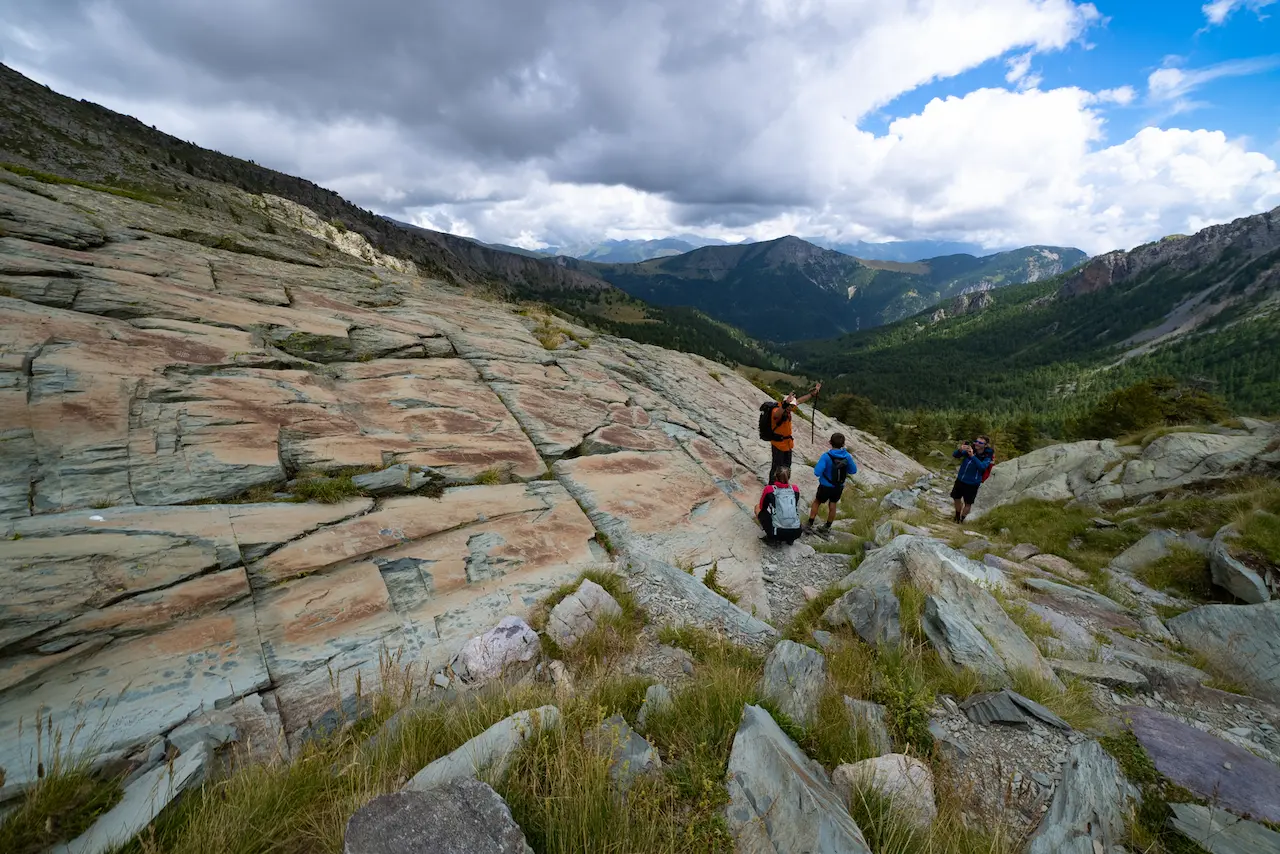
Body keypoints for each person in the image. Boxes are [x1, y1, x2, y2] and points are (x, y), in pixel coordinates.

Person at [764, 383, 821, 485]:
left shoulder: (788, 409)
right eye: (790, 406)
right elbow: (777, 415)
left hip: (787, 444)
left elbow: (799, 401)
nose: (792, 408)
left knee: (787, 466)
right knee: (777, 467)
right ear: (785, 403)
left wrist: (812, 395)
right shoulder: (777, 410)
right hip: (778, 444)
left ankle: (783, 484)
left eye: (792, 406)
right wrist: (786, 403)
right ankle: (772, 487)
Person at [807, 432, 857, 534]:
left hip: (825, 485)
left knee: (817, 501)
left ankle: (809, 523)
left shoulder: (826, 456)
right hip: (838, 486)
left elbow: (817, 472)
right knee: (833, 504)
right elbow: (853, 471)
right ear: (843, 444)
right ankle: (827, 526)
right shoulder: (847, 457)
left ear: (830, 442)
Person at [951, 435, 994, 522]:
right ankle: (957, 516)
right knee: (956, 498)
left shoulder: (987, 456)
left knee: (968, 503)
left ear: (985, 445)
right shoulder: (970, 450)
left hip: (972, 483)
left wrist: (972, 456)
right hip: (960, 479)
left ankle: (962, 519)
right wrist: (960, 449)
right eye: (976, 441)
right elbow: (955, 455)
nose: (977, 444)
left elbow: (982, 467)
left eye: (980, 443)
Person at [757, 466, 803, 543]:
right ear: (789, 477)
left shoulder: (769, 489)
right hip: (796, 532)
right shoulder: (795, 489)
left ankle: (770, 535)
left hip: (777, 533)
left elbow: (762, 507)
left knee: (757, 508)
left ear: (775, 476)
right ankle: (790, 539)